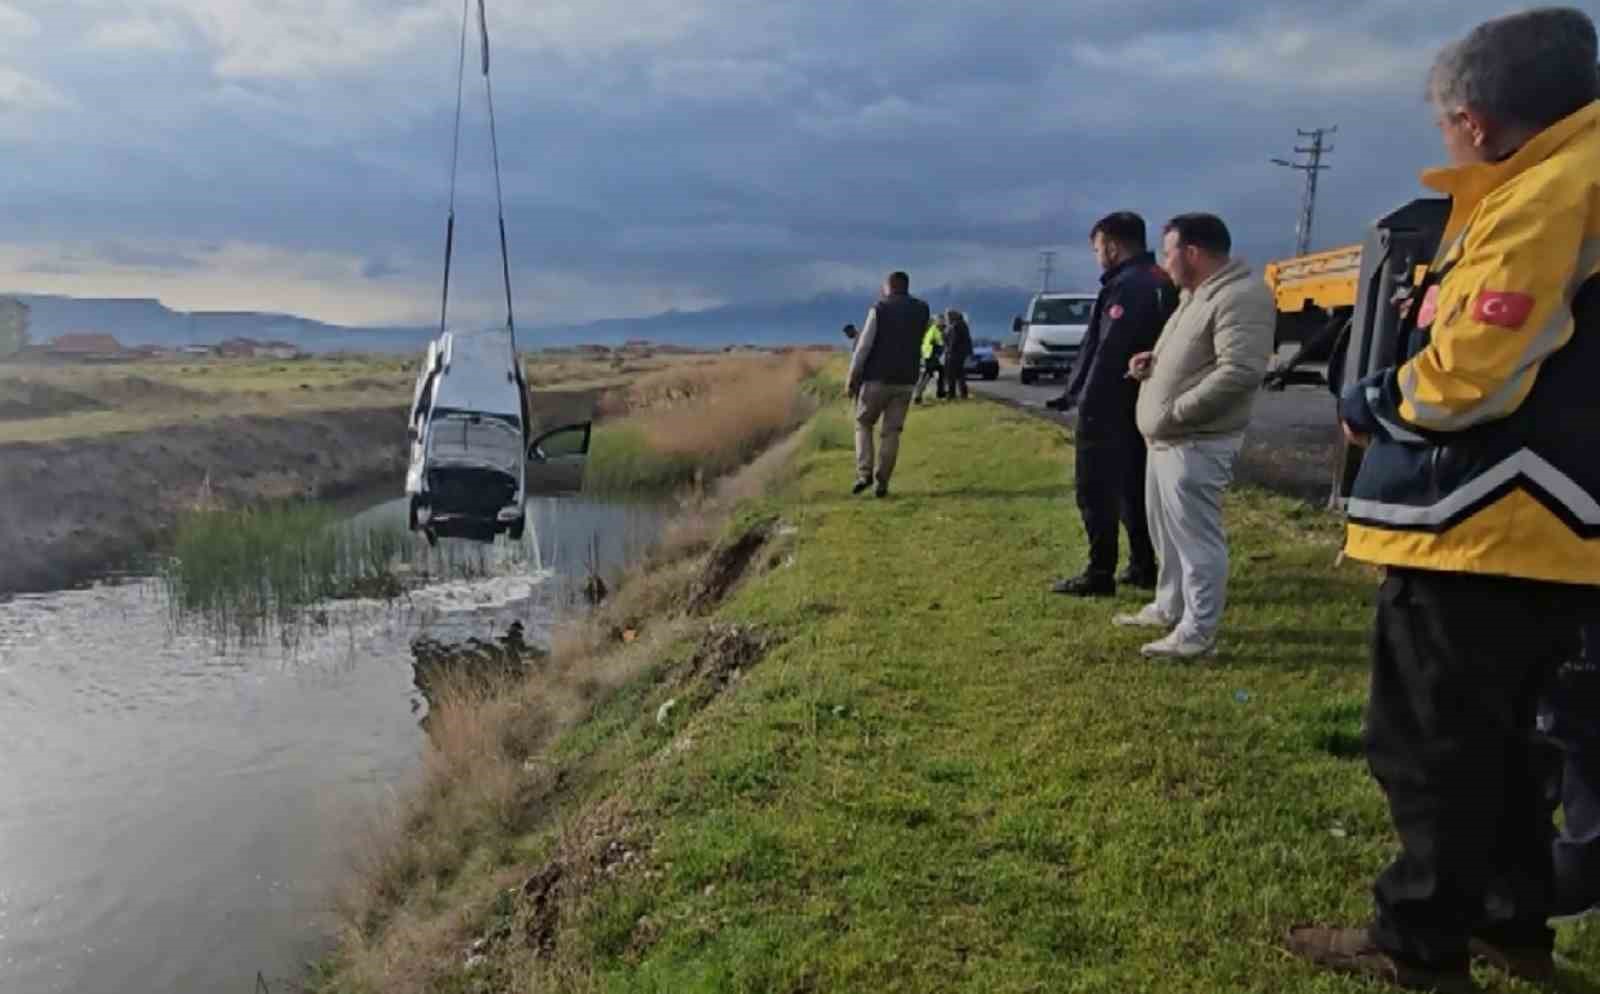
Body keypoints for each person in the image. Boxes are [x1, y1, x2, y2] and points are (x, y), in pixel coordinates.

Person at [1286, 9, 1600, 991]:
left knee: (1429, 745)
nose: (1443, 137)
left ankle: (1417, 938)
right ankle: (1510, 920)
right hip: (1544, 531)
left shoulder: (1547, 194)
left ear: (1473, 117)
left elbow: (1475, 368)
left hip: (1484, 521)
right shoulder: (1573, 174)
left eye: (1443, 123)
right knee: (1509, 746)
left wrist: (1371, 404)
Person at [1119, 213, 1272, 657]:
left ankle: (1198, 632)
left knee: (1195, 539)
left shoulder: (1241, 296)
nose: (1164, 262)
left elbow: (1240, 371)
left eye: (1168, 252)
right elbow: (1197, 356)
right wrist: (1152, 362)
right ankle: (1170, 606)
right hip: (1168, 438)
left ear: (1193, 252)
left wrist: (1175, 411)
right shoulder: (1194, 297)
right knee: (1166, 533)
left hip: (1196, 439)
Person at [1048, 211, 1177, 597]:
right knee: (1132, 488)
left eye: (1098, 248)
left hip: (1110, 407)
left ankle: (1099, 570)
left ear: (1114, 246)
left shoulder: (1127, 287)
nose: (1097, 256)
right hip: (1141, 404)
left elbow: (1108, 351)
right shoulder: (1158, 280)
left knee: (1096, 489)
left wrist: (1086, 402)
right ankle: (1142, 563)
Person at [847, 271, 930, 498]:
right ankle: (882, 482)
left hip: (876, 379)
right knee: (891, 432)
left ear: (889, 286)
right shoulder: (922, 310)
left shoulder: (879, 309)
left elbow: (864, 346)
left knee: (863, 423)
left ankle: (864, 474)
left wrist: (852, 377)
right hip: (906, 380)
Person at [940, 309, 973, 400]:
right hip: (960, 353)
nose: (946, 318)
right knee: (960, 374)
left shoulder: (955, 326)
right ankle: (963, 394)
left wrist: (949, 351)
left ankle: (951, 395)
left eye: (947, 316)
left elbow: (954, 341)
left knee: (951, 375)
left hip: (954, 353)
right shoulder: (962, 324)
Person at [913, 314, 945, 404]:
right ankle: (918, 396)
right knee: (927, 375)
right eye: (941, 321)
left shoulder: (929, 329)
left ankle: (939, 393)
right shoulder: (934, 330)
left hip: (928, 355)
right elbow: (940, 343)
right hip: (931, 356)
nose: (943, 323)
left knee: (936, 372)